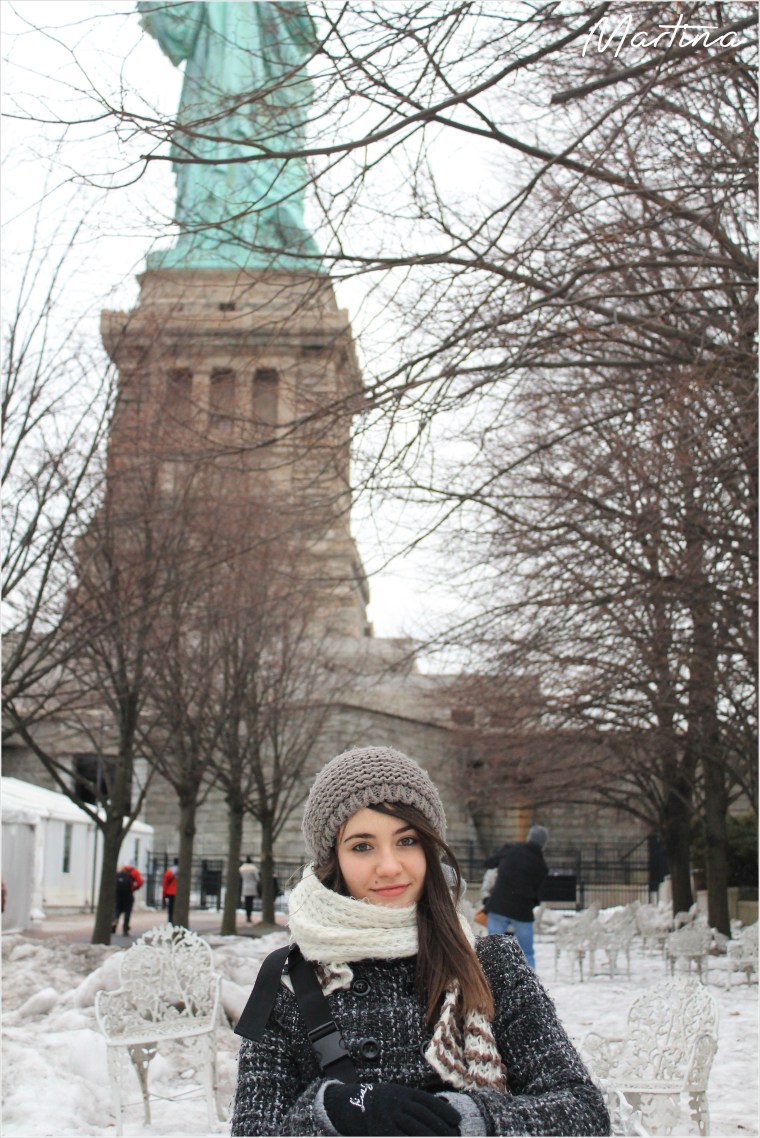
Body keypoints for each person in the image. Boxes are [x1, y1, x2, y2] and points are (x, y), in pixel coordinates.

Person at [231, 746, 609, 1136]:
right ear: (334, 859)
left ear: (430, 847)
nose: (390, 866)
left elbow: (582, 1112)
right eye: (362, 846)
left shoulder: (492, 965)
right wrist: (330, 1111)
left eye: (407, 841)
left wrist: (471, 1118)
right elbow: (253, 1129)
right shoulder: (290, 981)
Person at [483, 826, 550, 971]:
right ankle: (531, 983)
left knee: (493, 950)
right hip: (522, 911)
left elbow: (488, 863)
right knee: (527, 952)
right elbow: (538, 896)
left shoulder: (511, 850)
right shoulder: (542, 867)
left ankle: (492, 981)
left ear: (529, 837)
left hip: (498, 905)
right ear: (544, 844)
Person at [112, 862, 144, 936]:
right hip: (128, 893)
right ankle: (125, 928)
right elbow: (140, 882)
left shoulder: (121, 870)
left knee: (117, 908)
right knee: (127, 911)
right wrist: (134, 888)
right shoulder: (135, 872)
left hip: (119, 893)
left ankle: (114, 921)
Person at [239, 856, 260, 924]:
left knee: (247, 901)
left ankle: (247, 916)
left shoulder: (242, 869)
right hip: (252, 886)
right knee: (250, 902)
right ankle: (249, 916)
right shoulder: (253, 869)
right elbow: (257, 878)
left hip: (245, 886)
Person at [162, 858, 179, 924]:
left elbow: (165, 883)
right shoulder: (183, 871)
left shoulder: (169, 871)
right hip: (178, 894)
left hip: (170, 893)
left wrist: (164, 895)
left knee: (171, 910)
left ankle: (170, 922)